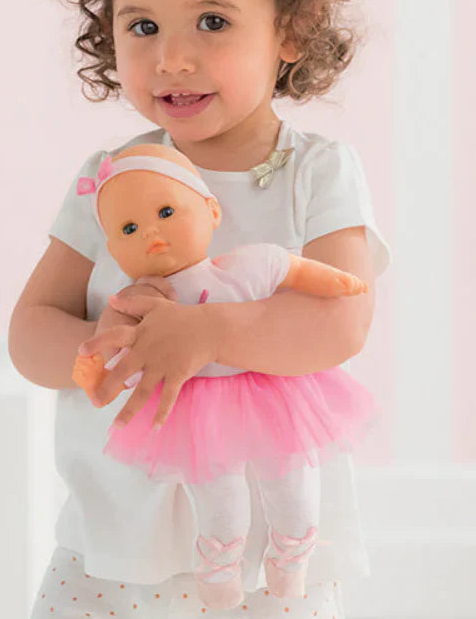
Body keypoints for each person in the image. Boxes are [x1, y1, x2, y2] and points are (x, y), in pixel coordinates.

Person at [9, 0, 391, 619]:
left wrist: (205, 333)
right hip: (118, 533)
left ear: (291, 28)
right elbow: (30, 331)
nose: (171, 57)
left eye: (212, 21)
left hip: (264, 557)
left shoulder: (315, 172)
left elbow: (340, 319)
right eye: (142, 25)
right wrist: (95, 347)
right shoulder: (111, 177)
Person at [70, 143, 376, 609]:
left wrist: (341, 283)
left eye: (166, 211)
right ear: (115, 250)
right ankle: (218, 572)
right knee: (220, 504)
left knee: (294, 488)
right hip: (199, 415)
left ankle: (290, 559)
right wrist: (96, 373)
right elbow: (120, 354)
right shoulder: (138, 301)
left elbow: (296, 270)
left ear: (210, 210)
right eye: (130, 229)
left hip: (274, 393)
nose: (151, 232)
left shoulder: (248, 264)